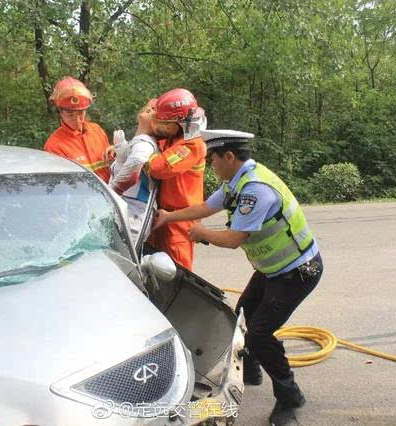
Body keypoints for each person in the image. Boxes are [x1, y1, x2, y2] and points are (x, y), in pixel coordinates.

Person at [152, 129, 323, 423]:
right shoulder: (237, 179)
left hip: (297, 273)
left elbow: (233, 239)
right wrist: (169, 216)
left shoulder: (255, 190)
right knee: (243, 314)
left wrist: (202, 233)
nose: (211, 166)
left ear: (229, 157)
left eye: (213, 160)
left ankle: (289, 396)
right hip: (272, 270)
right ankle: (253, 368)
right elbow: (207, 206)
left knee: (259, 333)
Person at [144, 88, 207, 270]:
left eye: (165, 123)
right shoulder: (171, 139)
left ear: (181, 123)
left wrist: (138, 153)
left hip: (179, 221)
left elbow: (158, 168)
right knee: (154, 270)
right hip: (162, 216)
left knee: (176, 272)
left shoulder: (192, 146)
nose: (159, 127)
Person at [109, 100, 159, 242]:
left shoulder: (145, 143)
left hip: (133, 215)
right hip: (126, 211)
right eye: (149, 106)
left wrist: (109, 193)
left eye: (155, 109)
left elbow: (135, 164)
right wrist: (121, 154)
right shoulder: (136, 142)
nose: (150, 108)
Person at [44, 76, 111, 182]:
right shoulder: (54, 146)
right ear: (60, 112)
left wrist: (115, 153)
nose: (77, 120)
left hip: (109, 193)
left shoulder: (96, 130)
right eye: (70, 115)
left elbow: (110, 165)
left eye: (81, 113)